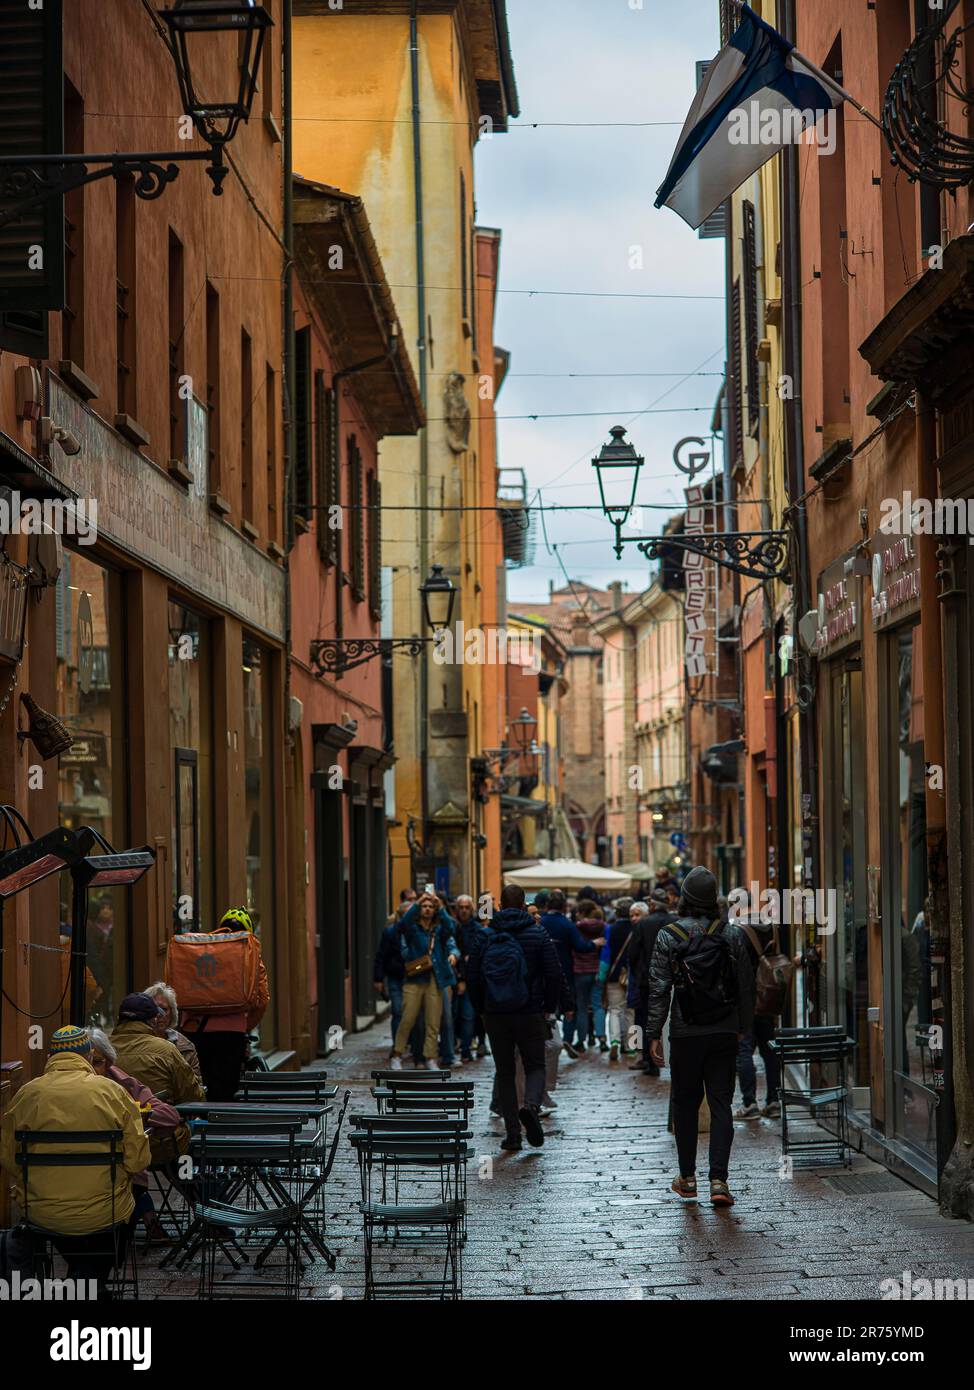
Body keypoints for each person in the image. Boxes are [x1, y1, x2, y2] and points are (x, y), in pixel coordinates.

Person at [0, 1025, 150, 1294]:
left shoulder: (26, 1095)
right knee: (125, 1204)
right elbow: (138, 1161)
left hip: (41, 1214)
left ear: (50, 1058)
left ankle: (83, 1279)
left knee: (70, 1226)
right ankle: (87, 1280)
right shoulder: (112, 1093)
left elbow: (9, 1160)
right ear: (88, 1055)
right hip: (105, 1212)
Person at [645, 865, 755, 1207]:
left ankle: (687, 1178)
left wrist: (652, 1033)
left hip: (685, 1031)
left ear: (685, 897)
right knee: (722, 1103)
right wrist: (742, 1029)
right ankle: (719, 1181)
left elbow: (659, 987)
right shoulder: (731, 934)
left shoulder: (669, 934)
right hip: (723, 1029)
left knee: (685, 1103)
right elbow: (746, 985)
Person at [466, 884, 562, 1152]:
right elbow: (553, 973)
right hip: (530, 1011)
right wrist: (549, 1007)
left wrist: (481, 1008)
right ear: (523, 905)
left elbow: (472, 976)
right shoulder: (538, 932)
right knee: (535, 1064)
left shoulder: (485, 935)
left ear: (499, 906)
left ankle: (513, 1135)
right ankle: (531, 1105)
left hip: (496, 1014)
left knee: (505, 1072)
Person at [88, 1026, 182, 1242]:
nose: (91, 1071)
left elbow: (169, 1115)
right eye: (86, 1062)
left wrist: (135, 1115)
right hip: (85, 1185)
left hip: (115, 1183)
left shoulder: (120, 1081)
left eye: (97, 1062)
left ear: (109, 1063)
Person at [178, 906, 270, 1100]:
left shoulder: (201, 947)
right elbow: (261, 1000)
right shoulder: (250, 952)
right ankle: (222, 1125)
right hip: (231, 1033)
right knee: (225, 1089)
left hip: (195, 1029)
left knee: (198, 1083)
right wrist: (245, 1025)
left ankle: (200, 1123)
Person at [389, 891, 458, 1071]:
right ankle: (397, 1054)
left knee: (433, 1021)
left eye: (430, 906)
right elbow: (402, 924)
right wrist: (418, 903)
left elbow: (452, 927)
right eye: (425, 907)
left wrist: (441, 907)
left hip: (435, 979)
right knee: (408, 1018)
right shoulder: (413, 929)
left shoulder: (440, 929)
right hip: (415, 978)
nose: (427, 909)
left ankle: (430, 1057)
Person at [540, 890, 604, 1058]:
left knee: (544, 1007)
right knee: (569, 1007)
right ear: (563, 906)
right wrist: (594, 944)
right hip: (565, 971)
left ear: (547, 905)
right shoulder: (567, 924)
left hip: (542, 971)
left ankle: (544, 1039)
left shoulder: (541, 922)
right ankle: (568, 1039)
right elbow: (580, 946)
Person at [112, 993, 205, 1106]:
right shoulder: (166, 1050)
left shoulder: (100, 1048)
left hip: (112, 1121)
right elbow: (193, 1097)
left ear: (119, 1019)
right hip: (157, 1120)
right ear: (153, 1020)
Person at [733, 913, 782, 1119]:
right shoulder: (771, 929)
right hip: (768, 997)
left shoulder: (739, 932)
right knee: (769, 1051)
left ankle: (749, 1103)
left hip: (746, 999)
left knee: (744, 1051)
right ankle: (773, 1101)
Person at [628, 890, 672, 1074]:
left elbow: (633, 954)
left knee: (647, 1017)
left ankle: (650, 1060)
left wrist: (639, 971)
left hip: (648, 979)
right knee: (672, 1018)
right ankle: (673, 1059)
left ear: (652, 905)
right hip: (673, 979)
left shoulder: (644, 924)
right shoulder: (675, 921)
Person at [373, 919, 424, 1067]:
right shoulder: (390, 932)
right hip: (395, 977)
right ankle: (398, 1047)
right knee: (397, 1011)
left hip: (414, 977)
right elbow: (381, 955)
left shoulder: (418, 931)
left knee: (415, 1014)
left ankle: (416, 1049)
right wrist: (378, 978)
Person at [143, 980, 203, 1087]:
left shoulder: (184, 1045)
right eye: (154, 1009)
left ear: (172, 1012)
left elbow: (195, 1086)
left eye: (164, 1009)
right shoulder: (136, 1041)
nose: (159, 1014)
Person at [452, 894, 489, 1063]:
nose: (464, 910)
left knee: (468, 1015)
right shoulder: (451, 928)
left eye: (467, 907)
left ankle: (466, 1050)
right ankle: (453, 1046)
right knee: (452, 1016)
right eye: (462, 907)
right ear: (456, 910)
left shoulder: (479, 930)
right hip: (452, 978)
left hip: (472, 979)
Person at [566, 901, 605, 1053]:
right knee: (597, 1006)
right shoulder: (603, 927)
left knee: (581, 1008)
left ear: (582, 912)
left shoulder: (576, 927)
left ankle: (581, 1041)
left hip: (580, 971)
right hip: (597, 971)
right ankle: (602, 1039)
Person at [603, 898, 634, 1061]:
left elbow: (606, 954)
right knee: (631, 1011)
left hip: (615, 974)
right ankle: (632, 1047)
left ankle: (614, 1040)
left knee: (615, 1010)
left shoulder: (611, 929)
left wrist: (602, 974)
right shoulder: (637, 927)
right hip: (633, 975)